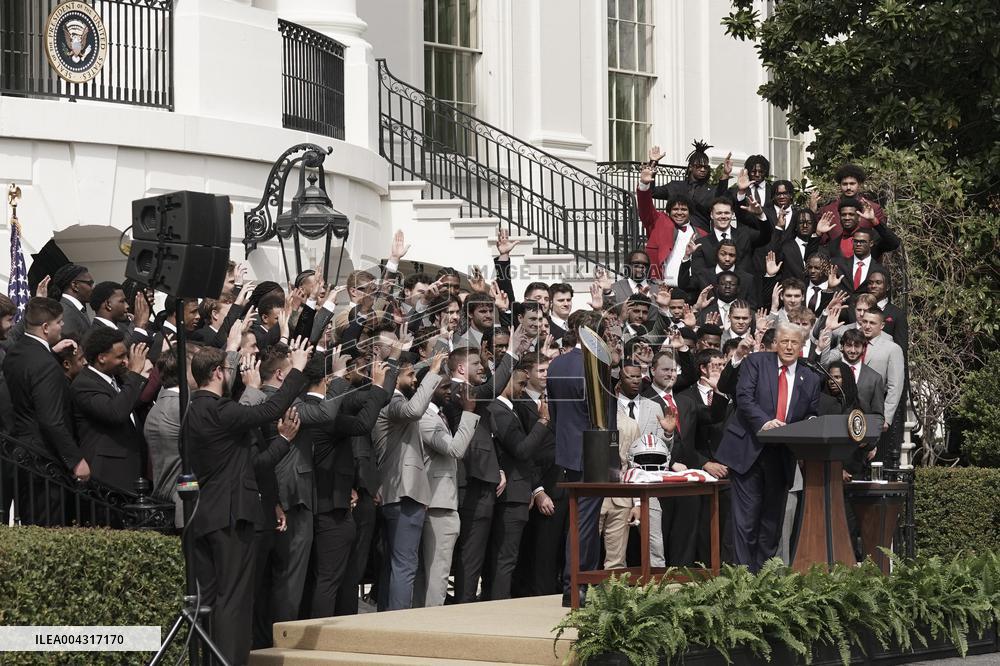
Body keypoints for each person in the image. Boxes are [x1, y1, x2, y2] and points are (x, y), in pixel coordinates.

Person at [185, 341, 308, 666]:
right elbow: (269, 410)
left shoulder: (191, 411)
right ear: (217, 373)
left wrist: (282, 440)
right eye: (227, 371)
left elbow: (249, 462)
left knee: (211, 598)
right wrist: (296, 369)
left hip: (204, 514)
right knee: (234, 599)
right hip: (231, 516)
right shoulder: (220, 410)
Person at [714, 322, 821, 572]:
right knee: (746, 520)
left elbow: (812, 412)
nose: (789, 347)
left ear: (802, 346)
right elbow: (744, 397)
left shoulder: (811, 377)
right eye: (784, 341)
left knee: (771, 523)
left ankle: (764, 577)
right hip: (748, 450)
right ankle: (743, 578)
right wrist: (765, 422)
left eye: (794, 342)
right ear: (776, 344)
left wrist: (810, 424)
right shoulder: (757, 362)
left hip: (782, 454)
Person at [3, 297, 86, 525]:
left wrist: (51, 352)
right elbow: (51, 420)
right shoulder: (46, 365)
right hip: (44, 461)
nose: (62, 326)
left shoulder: (16, 352)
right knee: (49, 525)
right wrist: (76, 460)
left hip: (22, 455)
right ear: (46, 327)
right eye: (59, 322)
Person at [413, 370, 480, 607]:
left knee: (432, 571)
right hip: (437, 503)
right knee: (437, 572)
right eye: (444, 387)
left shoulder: (438, 415)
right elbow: (455, 449)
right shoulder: (425, 417)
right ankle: (433, 619)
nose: (449, 391)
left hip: (439, 502)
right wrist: (469, 412)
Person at [71, 327, 150, 490]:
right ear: (102, 358)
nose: (126, 361)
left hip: (132, 467)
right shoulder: (84, 384)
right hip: (109, 474)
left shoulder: (117, 378)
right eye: (120, 357)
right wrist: (135, 372)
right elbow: (116, 413)